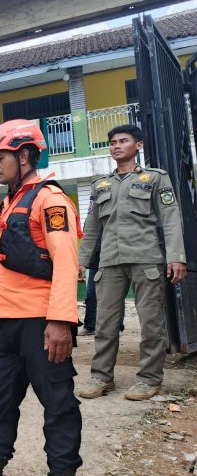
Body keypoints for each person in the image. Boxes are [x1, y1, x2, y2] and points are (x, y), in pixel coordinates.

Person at [0, 119, 82, 476]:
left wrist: (60, 321)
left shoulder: (51, 200)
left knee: (58, 404)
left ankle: (62, 470)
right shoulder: (7, 204)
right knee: (0, 398)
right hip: (10, 324)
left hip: (43, 324)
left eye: (0, 157)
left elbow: (66, 262)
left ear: (25, 156)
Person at [77, 124, 186, 401]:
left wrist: (176, 257)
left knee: (151, 324)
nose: (116, 146)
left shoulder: (155, 178)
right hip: (110, 262)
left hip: (145, 259)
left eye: (123, 141)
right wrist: (81, 261)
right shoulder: (101, 185)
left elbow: (171, 219)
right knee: (105, 324)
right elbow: (92, 227)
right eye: (113, 142)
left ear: (138, 145)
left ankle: (149, 379)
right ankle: (102, 377)